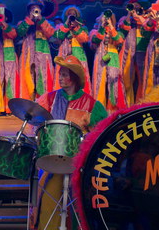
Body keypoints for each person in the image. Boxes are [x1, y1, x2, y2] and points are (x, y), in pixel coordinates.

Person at [32, 55, 108, 230]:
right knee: (48, 201)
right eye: (60, 74)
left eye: (65, 74)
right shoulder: (49, 99)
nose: (60, 77)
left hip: (78, 165)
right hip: (52, 162)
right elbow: (36, 123)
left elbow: (100, 135)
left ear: (74, 78)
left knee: (78, 207)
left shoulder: (92, 105)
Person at [17, 0, 55, 101]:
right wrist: (29, 19)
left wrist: (41, 20)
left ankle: (43, 102)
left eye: (37, 9)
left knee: (43, 79)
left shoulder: (47, 23)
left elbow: (50, 33)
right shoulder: (23, 23)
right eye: (32, 8)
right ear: (29, 10)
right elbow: (20, 32)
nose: (35, 11)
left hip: (43, 53)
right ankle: (28, 102)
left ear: (41, 10)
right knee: (27, 78)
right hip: (28, 53)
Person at [90, 10, 126, 112]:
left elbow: (119, 40)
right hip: (100, 56)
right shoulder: (95, 31)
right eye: (105, 18)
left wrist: (111, 26)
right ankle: (99, 111)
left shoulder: (117, 32)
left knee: (113, 84)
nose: (107, 19)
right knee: (99, 84)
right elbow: (96, 40)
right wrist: (102, 27)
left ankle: (113, 111)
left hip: (113, 57)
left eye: (109, 18)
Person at [52, 5, 91, 95]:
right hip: (64, 55)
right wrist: (66, 25)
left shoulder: (82, 28)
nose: (72, 16)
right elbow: (58, 36)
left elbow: (84, 39)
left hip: (78, 56)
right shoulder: (61, 26)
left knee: (77, 78)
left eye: (74, 14)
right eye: (69, 14)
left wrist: (76, 28)